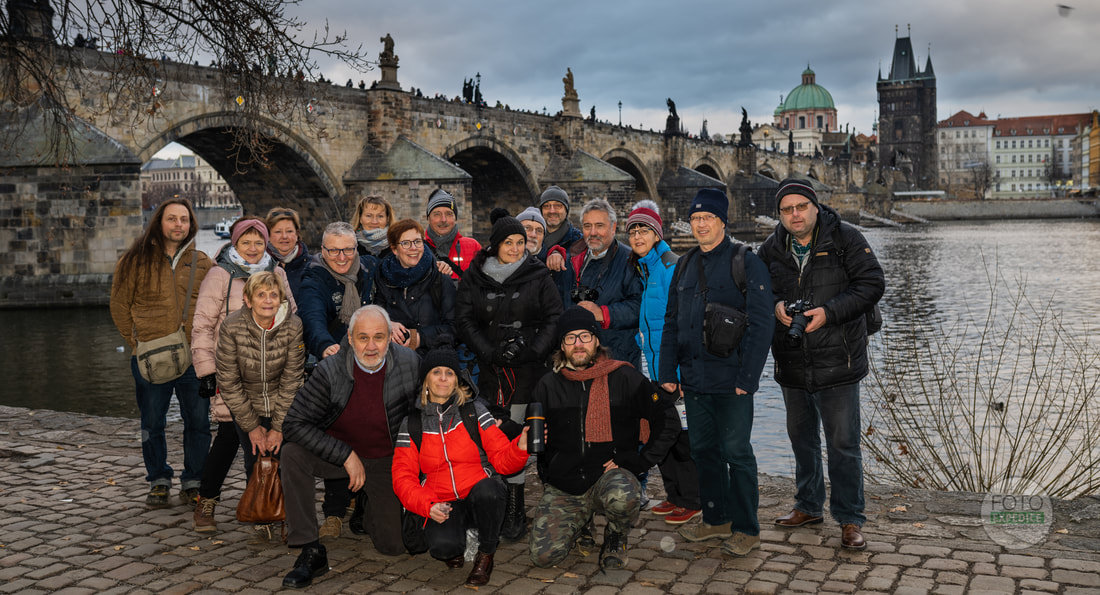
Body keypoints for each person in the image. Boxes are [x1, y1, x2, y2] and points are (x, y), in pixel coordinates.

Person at [758, 179, 885, 551]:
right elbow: (757, 290)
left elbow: (872, 284)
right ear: (779, 214)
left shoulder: (845, 237)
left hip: (838, 359)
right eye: (786, 209)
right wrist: (776, 306)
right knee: (802, 440)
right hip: (794, 360)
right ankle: (808, 505)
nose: (794, 214)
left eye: (800, 207)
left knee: (843, 444)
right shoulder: (771, 247)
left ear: (815, 206)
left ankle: (849, 519)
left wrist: (828, 313)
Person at [658, 188, 774, 556]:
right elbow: (672, 321)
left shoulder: (746, 261)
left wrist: (748, 379)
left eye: (707, 218)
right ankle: (715, 519)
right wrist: (667, 370)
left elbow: (762, 323)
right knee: (704, 450)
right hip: (694, 378)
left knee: (736, 452)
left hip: (733, 379)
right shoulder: (685, 264)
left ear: (722, 221)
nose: (700, 224)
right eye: (695, 219)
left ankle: (746, 528)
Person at [280, 305, 420, 588]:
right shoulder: (330, 370)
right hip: (339, 455)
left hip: (384, 459)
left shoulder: (409, 362)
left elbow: (426, 413)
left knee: (393, 546)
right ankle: (309, 547)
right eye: (363, 337)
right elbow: (294, 424)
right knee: (292, 453)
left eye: (379, 337)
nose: (371, 346)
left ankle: (367, 504)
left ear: (389, 338)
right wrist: (345, 454)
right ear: (350, 337)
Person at [529, 307, 678, 569]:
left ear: (597, 340)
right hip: (565, 484)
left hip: (608, 476)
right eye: (570, 338)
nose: (578, 344)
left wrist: (638, 461)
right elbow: (531, 434)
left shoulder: (624, 377)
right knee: (542, 557)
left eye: (585, 336)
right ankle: (581, 523)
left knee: (623, 496)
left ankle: (616, 535)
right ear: (561, 345)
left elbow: (667, 419)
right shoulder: (547, 385)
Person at [454, 210, 563, 540]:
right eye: (509, 243)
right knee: (491, 433)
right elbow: (464, 319)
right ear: (495, 245)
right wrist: (487, 350)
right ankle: (493, 501)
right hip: (489, 368)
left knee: (515, 434)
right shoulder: (476, 275)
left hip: (526, 369)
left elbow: (554, 318)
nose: (516, 249)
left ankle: (515, 507)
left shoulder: (538, 274)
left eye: (520, 242)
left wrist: (531, 349)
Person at [189, 219, 297, 534]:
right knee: (228, 440)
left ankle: (269, 504)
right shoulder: (220, 274)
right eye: (246, 243)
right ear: (235, 244)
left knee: (268, 441)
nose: (252, 249)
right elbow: (203, 324)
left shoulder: (276, 273)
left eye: (258, 243)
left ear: (266, 244)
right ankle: (207, 500)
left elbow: (291, 314)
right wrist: (206, 370)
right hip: (232, 372)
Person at [392, 348, 530, 586]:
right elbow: (402, 477)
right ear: (426, 380)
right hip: (443, 500)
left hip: (478, 492)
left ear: (457, 380)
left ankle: (486, 554)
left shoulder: (474, 412)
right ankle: (460, 539)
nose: (443, 378)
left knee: (490, 490)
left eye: (449, 373)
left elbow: (501, 460)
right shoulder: (412, 423)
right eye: (436, 372)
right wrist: (428, 505)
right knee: (443, 549)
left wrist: (520, 447)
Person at [109, 198, 213, 507]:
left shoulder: (202, 261)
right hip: (150, 358)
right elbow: (119, 305)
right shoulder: (135, 260)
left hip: (194, 357)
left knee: (198, 421)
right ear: (159, 223)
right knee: (152, 422)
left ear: (190, 224)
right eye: (172, 219)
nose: (179, 224)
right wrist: (137, 343)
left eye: (184, 219)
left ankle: (194, 479)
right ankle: (158, 478)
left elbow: (215, 306)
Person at [297, 221, 379, 537]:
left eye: (347, 249)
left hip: (370, 363)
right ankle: (333, 511)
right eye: (334, 250)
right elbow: (312, 317)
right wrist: (323, 345)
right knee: (338, 433)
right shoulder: (314, 277)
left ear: (356, 248)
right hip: (335, 367)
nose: (342, 257)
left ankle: (362, 501)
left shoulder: (370, 269)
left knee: (370, 433)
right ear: (323, 250)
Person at [625, 201, 701, 525]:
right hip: (655, 370)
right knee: (663, 434)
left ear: (656, 234)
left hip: (674, 371)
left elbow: (685, 324)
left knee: (682, 439)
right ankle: (674, 496)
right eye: (633, 231)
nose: (638, 235)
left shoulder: (671, 267)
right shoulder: (643, 269)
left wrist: (679, 371)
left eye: (644, 229)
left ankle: (692, 500)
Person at [569, 198, 643, 368]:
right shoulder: (572, 259)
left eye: (599, 225)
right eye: (587, 226)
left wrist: (603, 313)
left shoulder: (631, 260)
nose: (593, 232)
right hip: (580, 358)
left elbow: (640, 306)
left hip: (618, 359)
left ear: (613, 227)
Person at [373, 219, 456, 355]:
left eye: (417, 241)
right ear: (394, 249)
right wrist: (386, 324)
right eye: (405, 243)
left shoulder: (440, 278)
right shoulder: (383, 276)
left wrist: (420, 337)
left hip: (432, 359)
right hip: (394, 360)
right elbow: (376, 313)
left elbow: (454, 327)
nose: (413, 248)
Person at [518, 205, 573, 308]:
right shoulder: (502, 259)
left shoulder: (554, 266)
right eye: (527, 228)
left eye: (539, 230)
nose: (533, 234)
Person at [423, 189, 480, 279]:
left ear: (455, 218)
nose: (443, 220)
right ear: (428, 218)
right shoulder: (419, 249)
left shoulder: (473, 246)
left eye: (449, 214)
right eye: (437, 214)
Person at [265, 207, 311, 300]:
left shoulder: (312, 265)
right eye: (278, 232)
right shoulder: (259, 265)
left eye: (289, 231)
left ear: (297, 235)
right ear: (268, 236)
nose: (284, 236)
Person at [351, 195, 395, 259]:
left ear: (387, 219)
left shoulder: (397, 244)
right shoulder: (350, 245)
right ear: (360, 218)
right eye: (369, 216)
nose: (374, 221)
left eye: (380, 216)